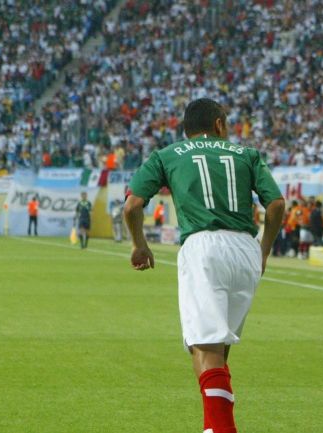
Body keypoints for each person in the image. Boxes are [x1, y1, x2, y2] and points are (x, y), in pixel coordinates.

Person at [123, 98, 284, 433]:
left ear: (186, 129)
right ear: (219, 125)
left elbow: (132, 206)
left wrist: (140, 245)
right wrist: (264, 250)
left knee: (206, 347)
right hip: (245, 249)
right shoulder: (247, 154)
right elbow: (277, 204)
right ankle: (212, 427)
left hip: (203, 246)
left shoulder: (168, 155)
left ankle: (222, 429)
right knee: (216, 349)